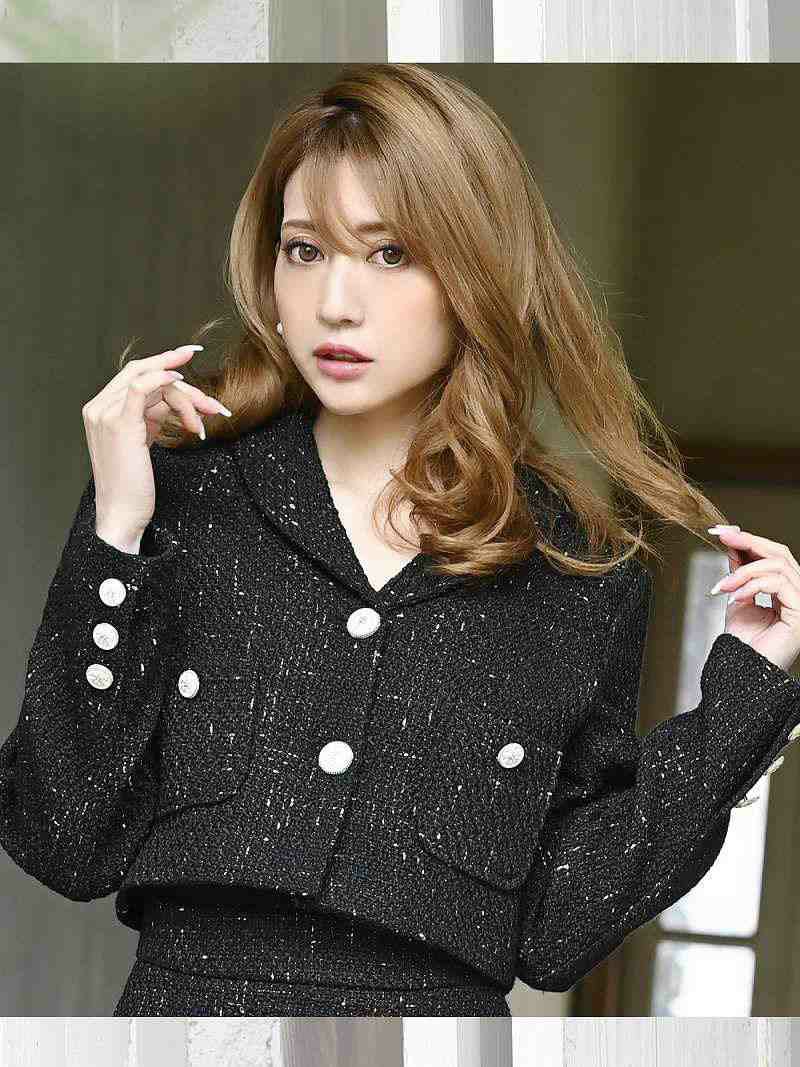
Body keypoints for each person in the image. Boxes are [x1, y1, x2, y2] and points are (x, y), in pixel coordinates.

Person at [2, 62, 800, 1018]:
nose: (336, 302)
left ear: (476, 272)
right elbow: (61, 835)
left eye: (390, 254)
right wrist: (115, 534)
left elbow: (557, 933)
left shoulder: (578, 570)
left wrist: (741, 704)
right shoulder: (182, 498)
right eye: (304, 250)